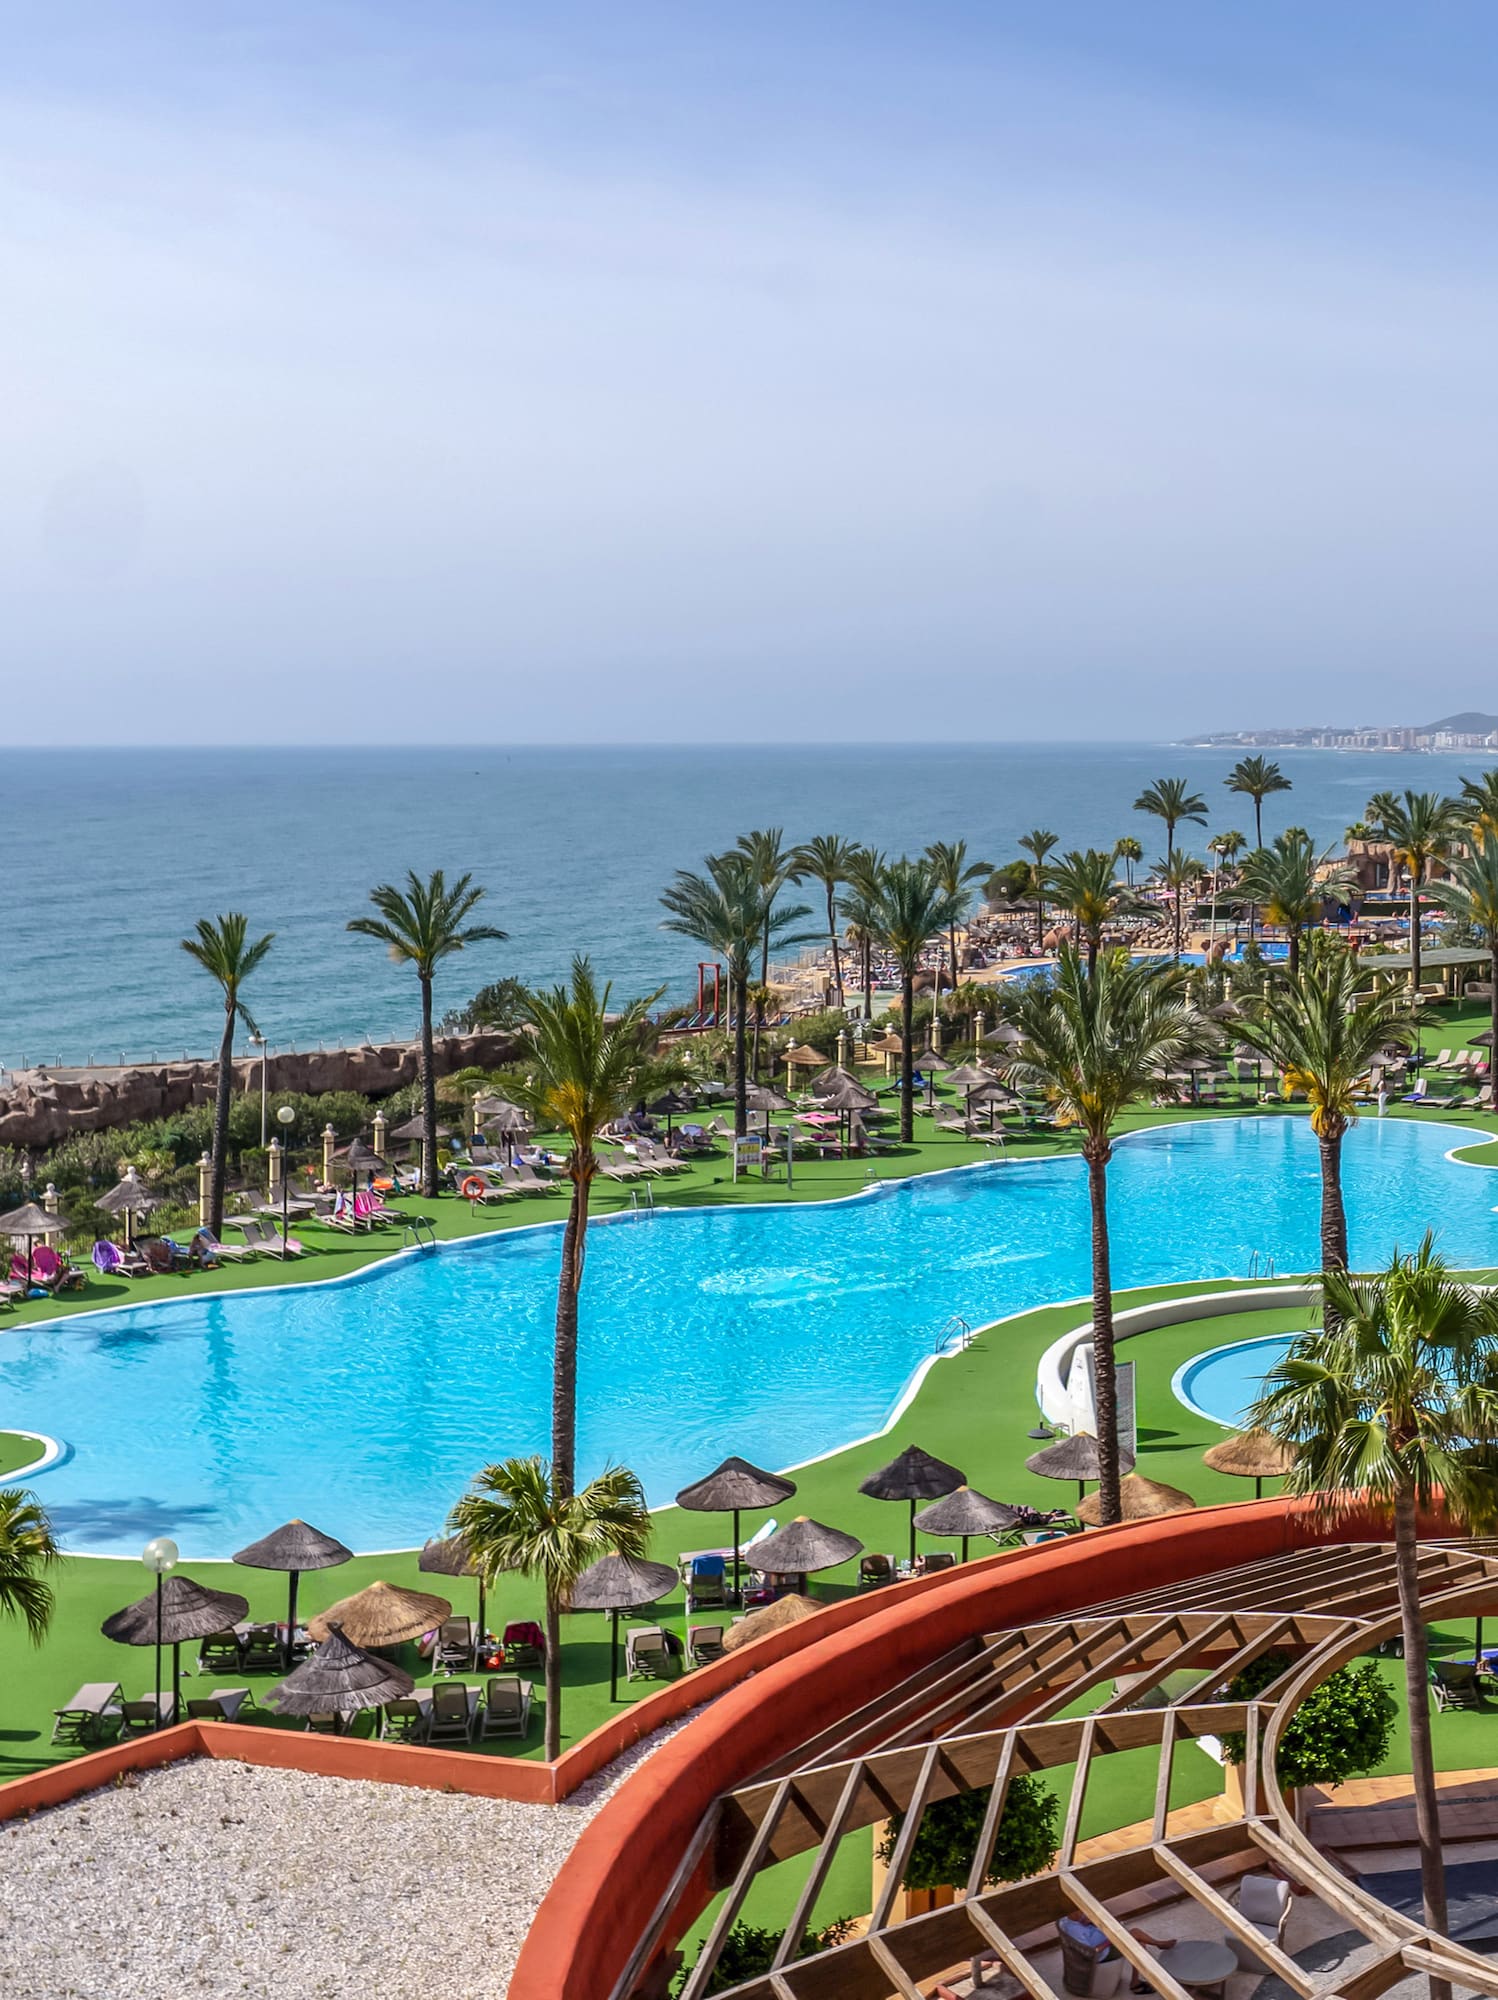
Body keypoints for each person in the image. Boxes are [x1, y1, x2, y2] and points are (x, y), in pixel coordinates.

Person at [1057, 1915, 1178, 1995]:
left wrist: (1091, 1923)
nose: (1084, 1913)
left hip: (1106, 1941)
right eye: (1081, 1911)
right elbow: (1091, 1952)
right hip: (1103, 1953)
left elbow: (1090, 1933)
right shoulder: (1074, 1930)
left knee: (1139, 1944)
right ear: (1074, 1912)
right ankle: (1159, 1944)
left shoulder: (1071, 1920)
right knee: (1135, 1933)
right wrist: (1111, 1940)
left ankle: (1135, 1983)